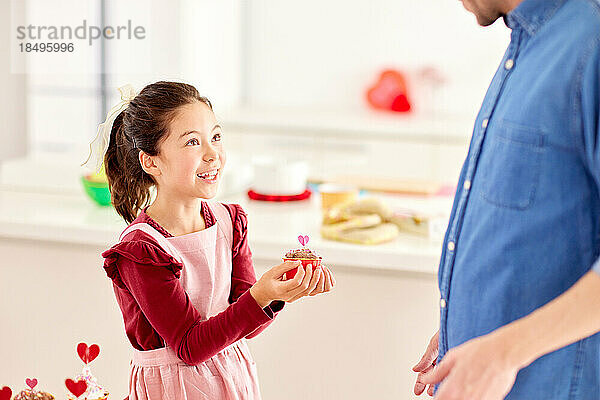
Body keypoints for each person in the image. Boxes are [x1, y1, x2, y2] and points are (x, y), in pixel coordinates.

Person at [82, 81, 335, 399]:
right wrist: (261, 296)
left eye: (215, 137)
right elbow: (189, 347)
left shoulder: (231, 222)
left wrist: (279, 294)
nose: (212, 153)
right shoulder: (142, 250)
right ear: (152, 162)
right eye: (192, 142)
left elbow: (246, 324)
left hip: (233, 378)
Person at [411, 0, 600, 399]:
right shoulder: (528, 46)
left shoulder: (591, 40)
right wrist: (468, 323)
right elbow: (535, 235)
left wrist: (503, 352)